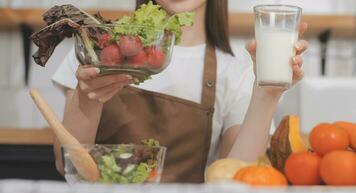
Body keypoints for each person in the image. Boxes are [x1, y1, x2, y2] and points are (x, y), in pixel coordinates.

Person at [52, 0, 308, 183]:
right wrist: (87, 98)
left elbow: (235, 177)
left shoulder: (237, 73)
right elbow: (68, 165)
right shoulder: (98, 50)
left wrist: (267, 94)